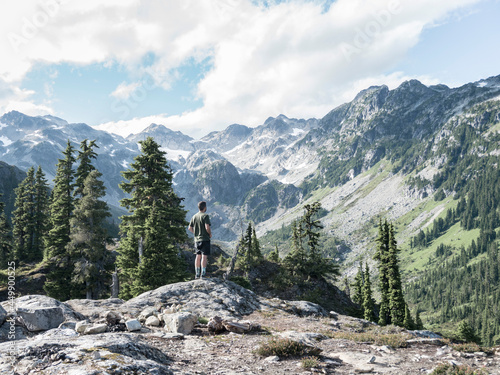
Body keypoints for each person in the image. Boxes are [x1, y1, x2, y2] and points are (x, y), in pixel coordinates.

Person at [188, 201, 212, 279]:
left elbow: (189, 228)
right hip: (205, 239)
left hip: (197, 240)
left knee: (198, 256)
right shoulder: (205, 216)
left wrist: (196, 233)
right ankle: (203, 274)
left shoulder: (194, 216)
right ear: (204, 207)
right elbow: (207, 227)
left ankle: (197, 274)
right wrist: (209, 234)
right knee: (204, 256)